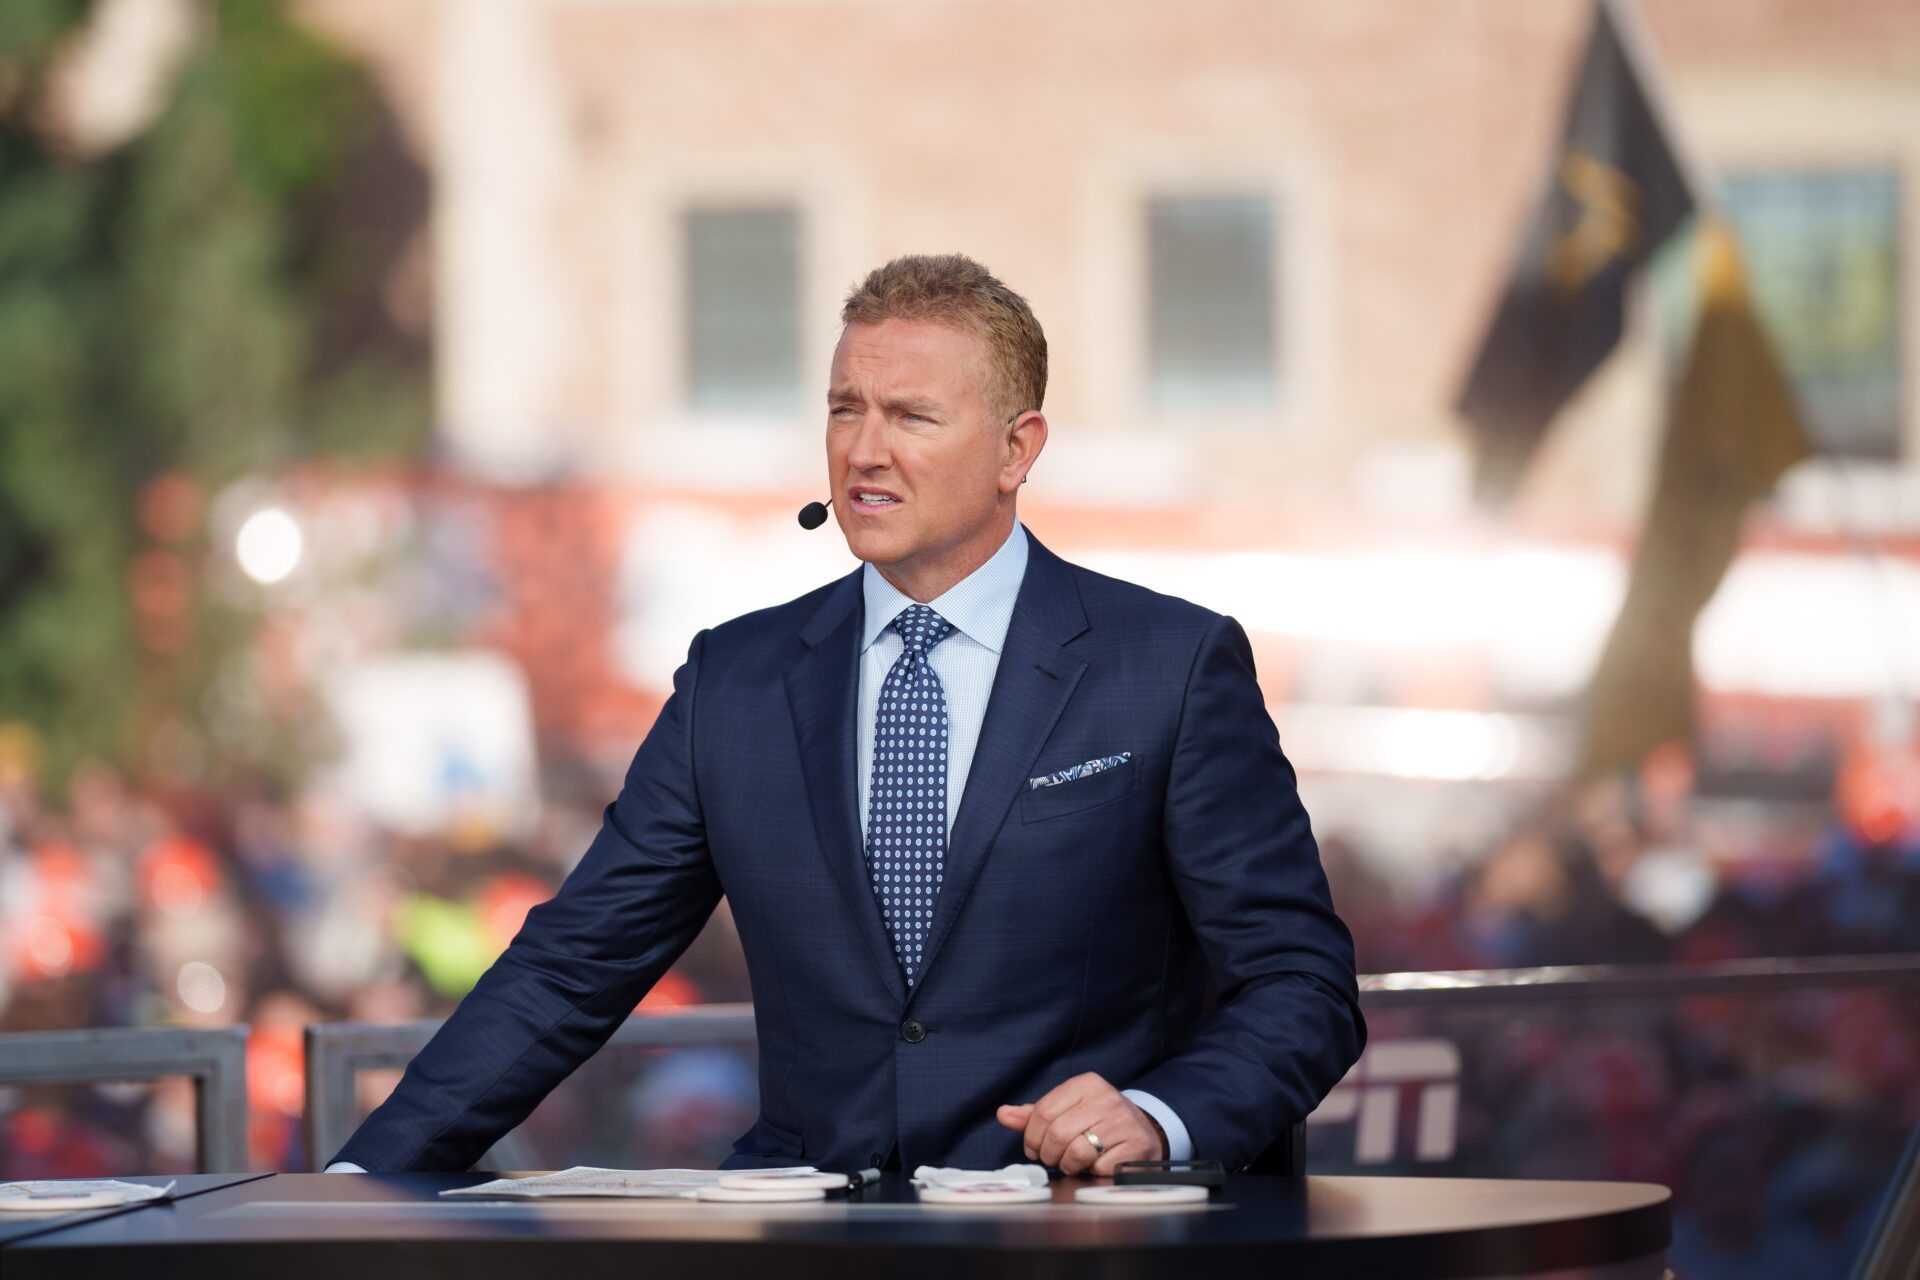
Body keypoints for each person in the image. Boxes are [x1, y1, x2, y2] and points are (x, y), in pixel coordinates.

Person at [329, 254, 1363, 1176]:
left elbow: (1302, 984)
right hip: (813, 1230)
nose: (864, 449)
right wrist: (351, 1190)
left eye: (911, 416)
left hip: (1080, 1227)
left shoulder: (1169, 666)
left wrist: (1157, 1112)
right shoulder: (733, 679)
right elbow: (571, 966)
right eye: (842, 408)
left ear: (1018, 448)